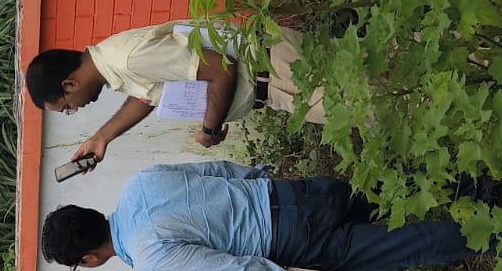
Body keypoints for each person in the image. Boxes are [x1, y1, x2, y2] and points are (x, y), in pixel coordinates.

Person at [39, 159, 494, 271]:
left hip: (294, 242)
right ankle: (481, 183)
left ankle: (498, 235)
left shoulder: (150, 255)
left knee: (404, 246)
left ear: (88, 259)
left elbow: (233, 270)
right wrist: (259, 180)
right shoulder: (139, 182)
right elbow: (218, 170)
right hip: (291, 193)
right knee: (393, 190)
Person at [24, 19, 327, 165]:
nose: (75, 109)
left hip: (281, 72)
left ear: (69, 85)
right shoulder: (113, 62)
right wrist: (102, 137)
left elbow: (222, 70)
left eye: (67, 107)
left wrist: (209, 130)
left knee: (354, 107)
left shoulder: (129, 59)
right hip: (273, 79)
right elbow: (148, 96)